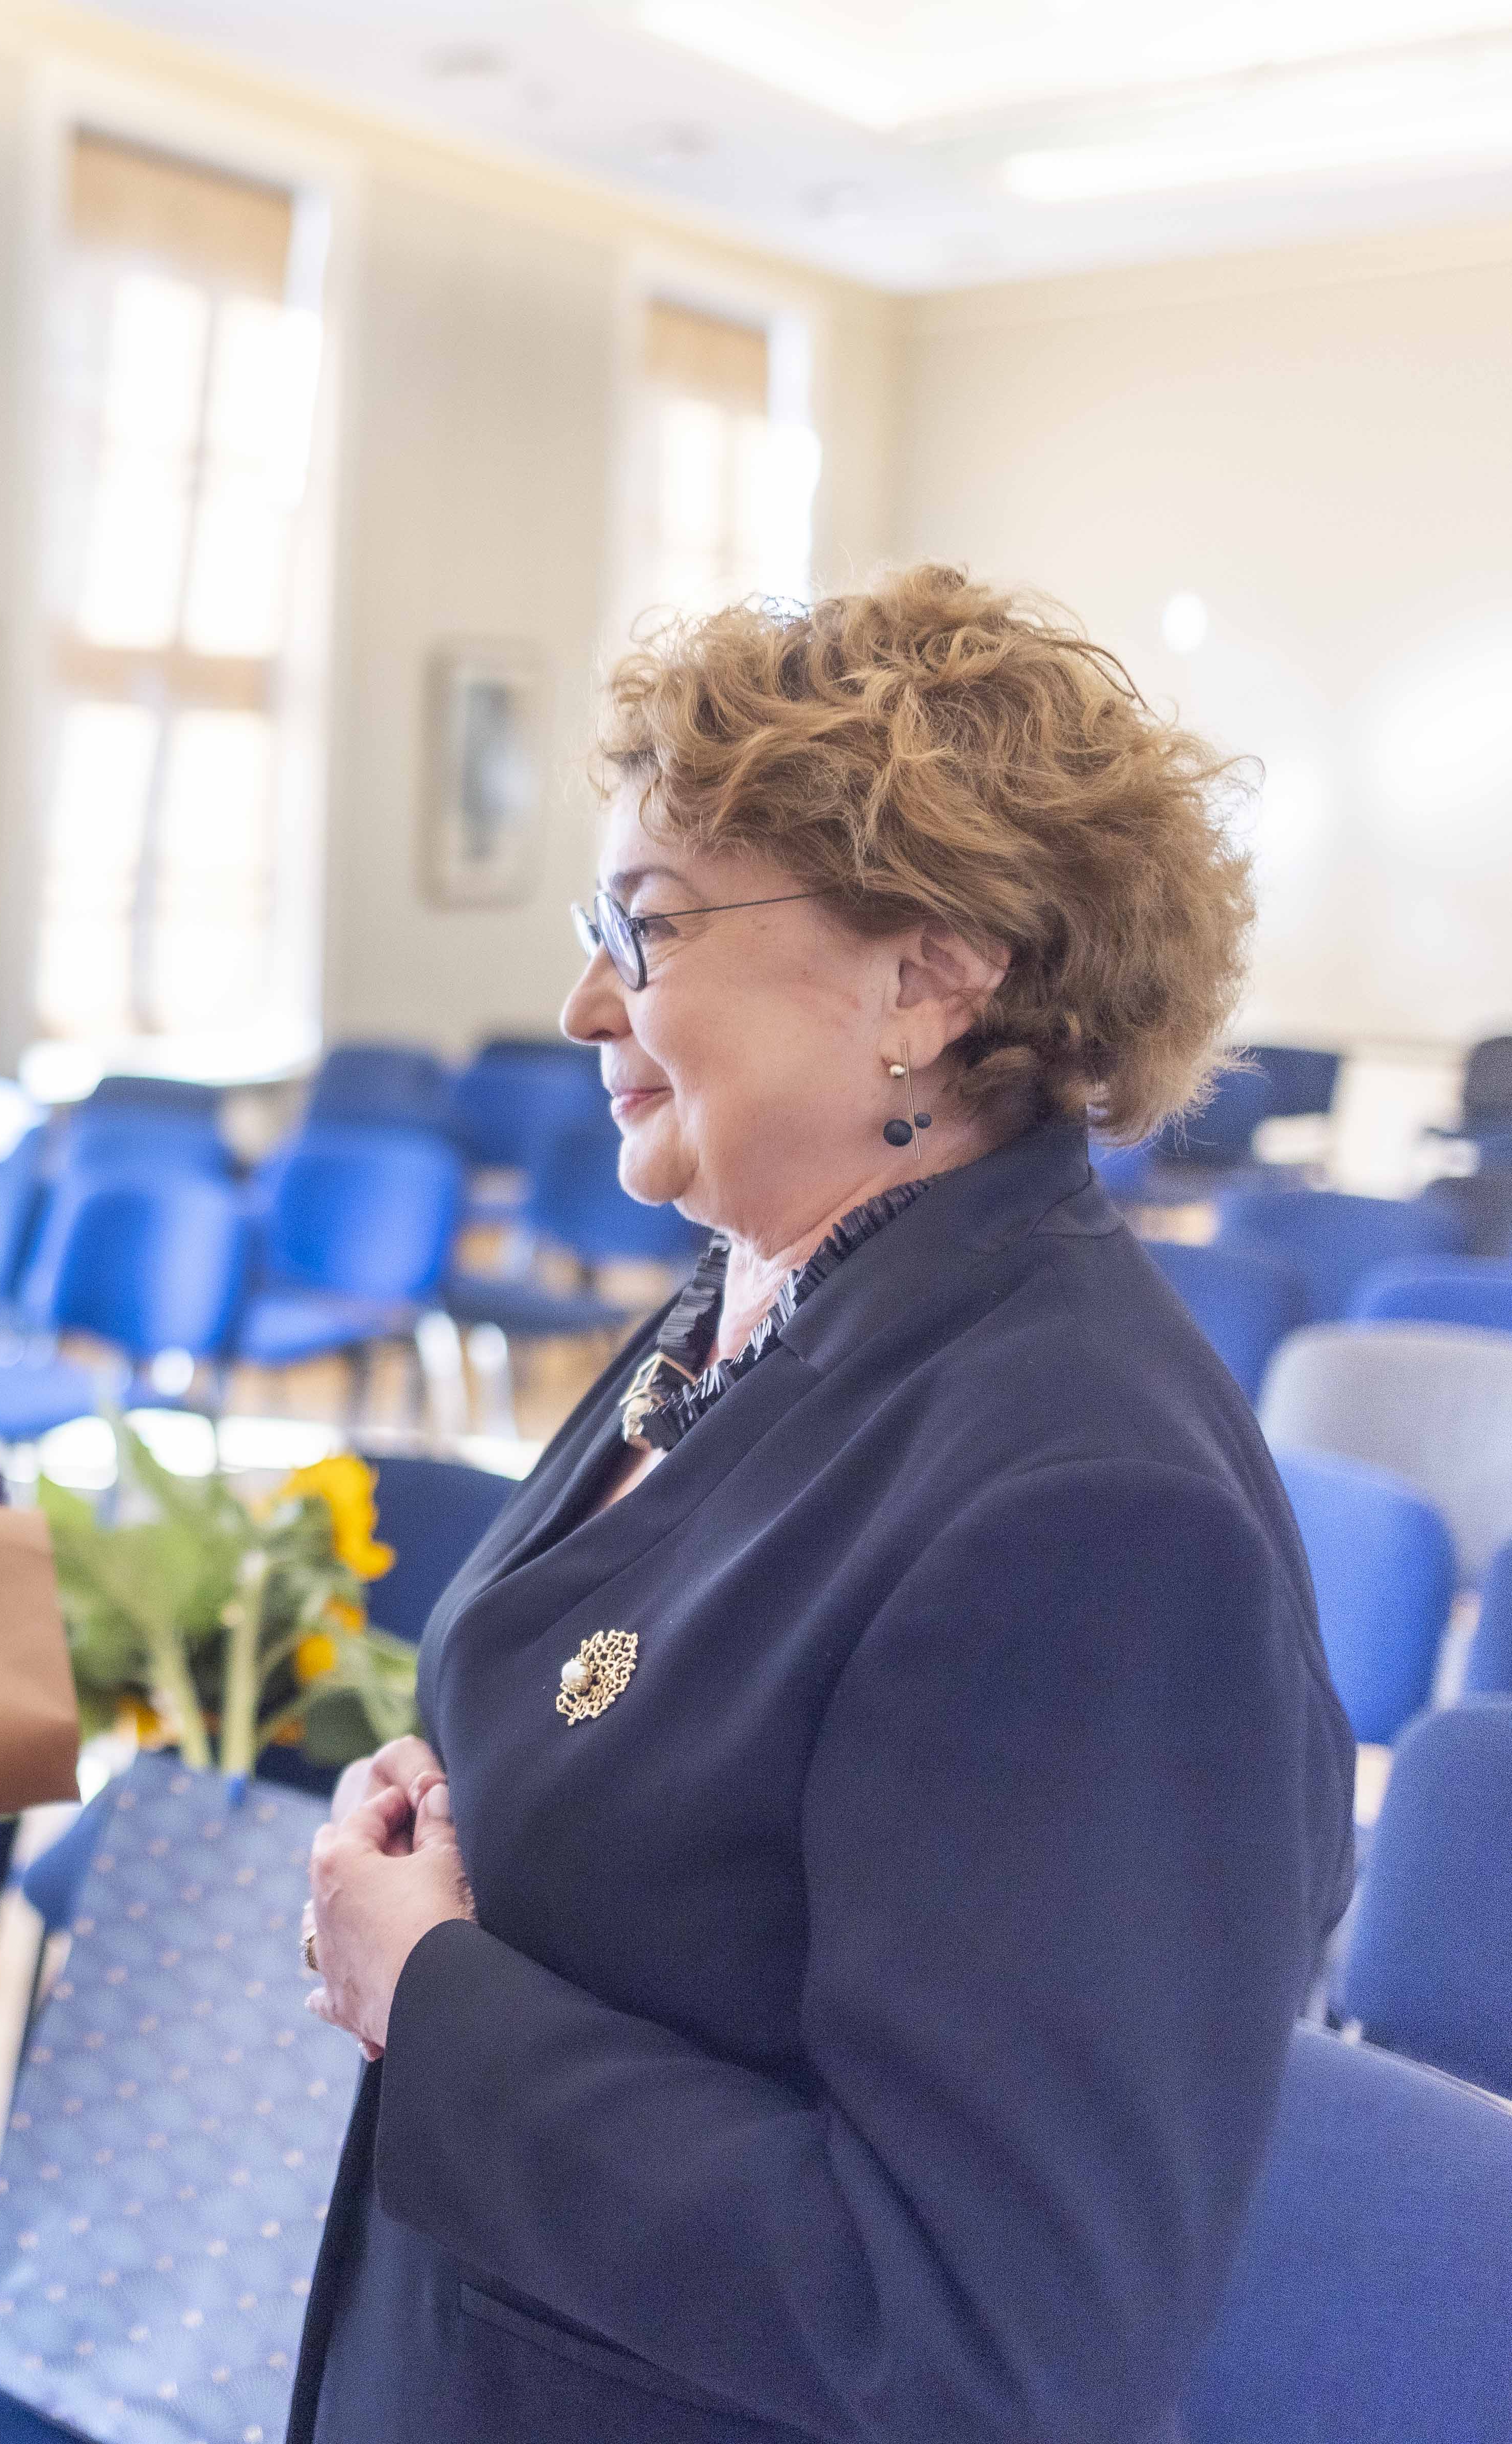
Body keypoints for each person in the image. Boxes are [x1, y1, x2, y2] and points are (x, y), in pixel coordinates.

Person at [290, 567, 1355, 2442]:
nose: (585, 999)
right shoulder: (756, 1286)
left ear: (928, 977)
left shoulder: (1096, 1519)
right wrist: (457, 1816)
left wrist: (430, 1992)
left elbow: (993, 2335)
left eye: (649, 926)